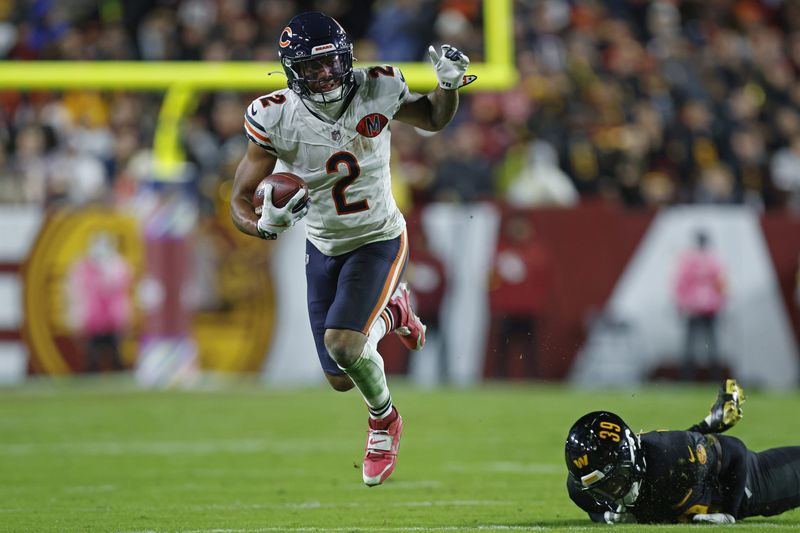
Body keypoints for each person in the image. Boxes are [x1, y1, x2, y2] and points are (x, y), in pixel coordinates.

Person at [229, 12, 472, 486]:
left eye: (331, 63)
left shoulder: (378, 86)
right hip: (323, 246)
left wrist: (449, 86)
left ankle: (384, 422)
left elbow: (432, 119)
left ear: (347, 58)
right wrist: (263, 225)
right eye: (311, 67)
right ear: (291, 71)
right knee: (340, 374)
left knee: (344, 343)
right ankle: (393, 313)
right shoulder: (274, 115)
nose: (323, 75)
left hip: (379, 236)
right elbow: (239, 199)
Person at [565, 379, 800, 524]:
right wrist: (604, 517)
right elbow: (594, 505)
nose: (613, 493)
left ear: (631, 460)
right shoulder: (583, 488)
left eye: (615, 481)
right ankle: (712, 421)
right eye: (602, 489)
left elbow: (735, 450)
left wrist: (730, 511)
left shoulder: (670, 455)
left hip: (749, 483)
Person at [672, 229, 728, 381]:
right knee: (710, 344)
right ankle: (713, 377)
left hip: (694, 307)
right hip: (709, 307)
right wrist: (721, 301)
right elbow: (722, 284)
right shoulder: (713, 260)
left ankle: (687, 378)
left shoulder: (688, 260)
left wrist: (681, 304)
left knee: (692, 344)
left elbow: (680, 283)